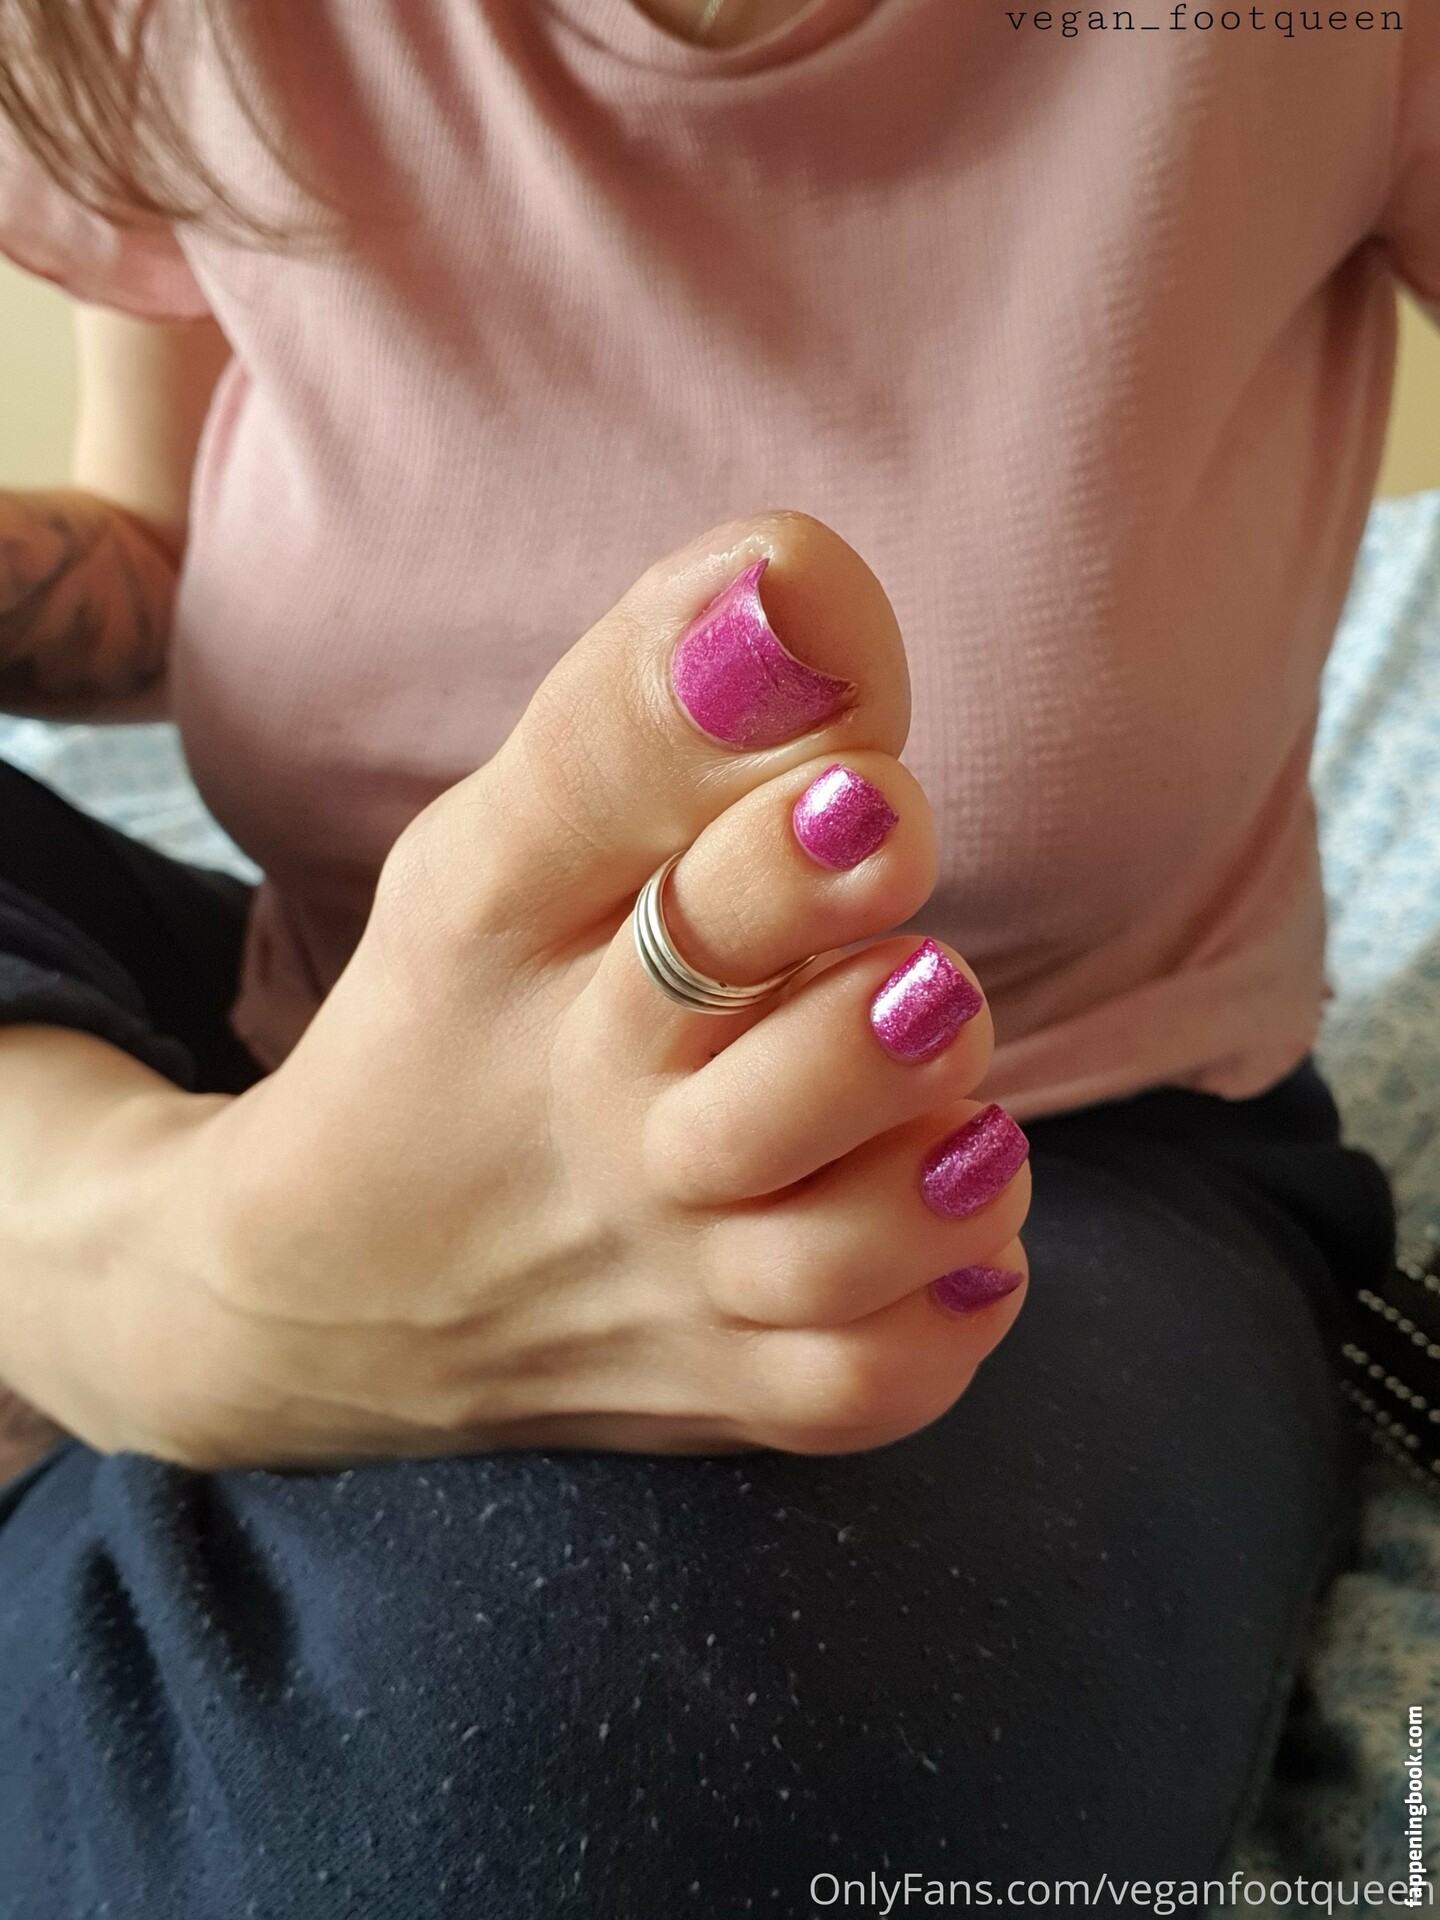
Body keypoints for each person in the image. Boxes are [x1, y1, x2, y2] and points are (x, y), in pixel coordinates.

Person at [0, 0, 1423, 1909]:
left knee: (560, 1772)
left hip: (1017, 1156)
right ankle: (146, 1261)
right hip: (302, 1042)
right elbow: (156, 555)